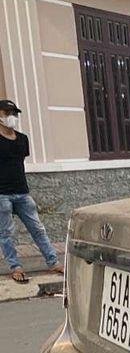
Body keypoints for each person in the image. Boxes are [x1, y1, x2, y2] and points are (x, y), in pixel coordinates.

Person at [0, 99, 61, 284]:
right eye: (8, 113)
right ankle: (15, 267)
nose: (12, 117)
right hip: (2, 195)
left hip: (22, 193)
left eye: (14, 113)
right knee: (6, 233)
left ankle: (53, 261)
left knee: (38, 229)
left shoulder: (22, 139)